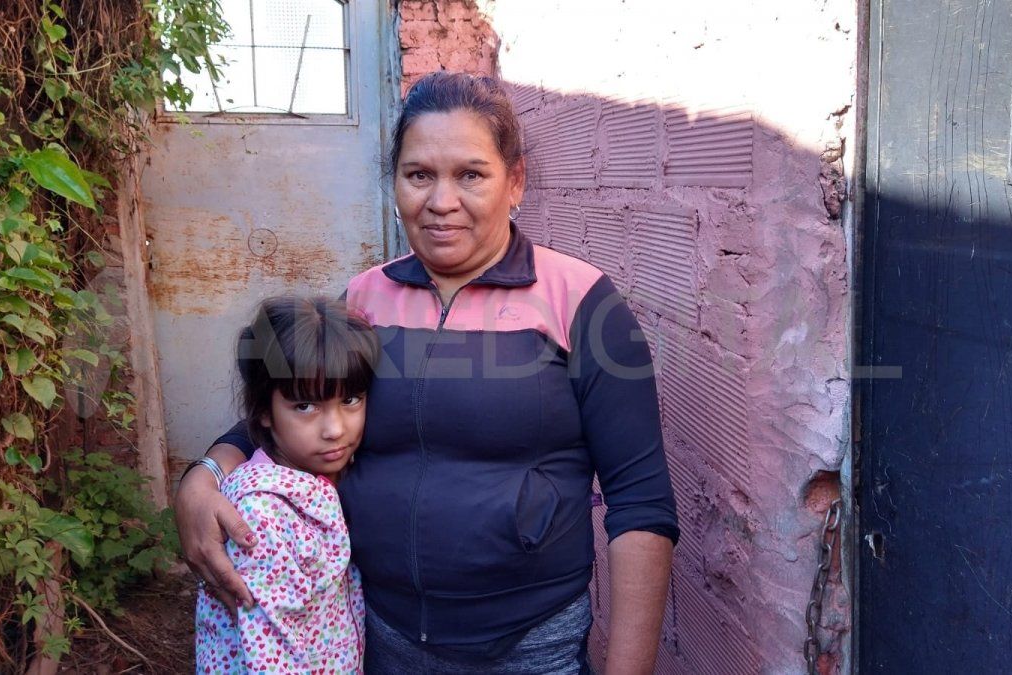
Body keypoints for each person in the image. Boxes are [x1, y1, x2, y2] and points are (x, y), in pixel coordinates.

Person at [177, 72, 679, 674]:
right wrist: (202, 478)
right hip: (378, 632)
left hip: (529, 643)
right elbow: (288, 409)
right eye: (419, 175)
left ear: (514, 181)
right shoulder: (365, 298)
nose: (442, 202)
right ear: (394, 183)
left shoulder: (584, 303)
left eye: (471, 174)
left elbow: (640, 501)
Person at [192, 296, 377, 673]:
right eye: (305, 407)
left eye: (351, 400)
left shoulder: (312, 484)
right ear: (263, 411)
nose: (335, 429)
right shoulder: (263, 514)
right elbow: (271, 658)